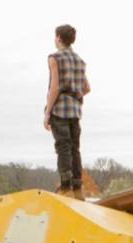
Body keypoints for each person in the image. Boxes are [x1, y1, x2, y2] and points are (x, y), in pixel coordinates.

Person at [44, 24, 90, 200]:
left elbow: (54, 88)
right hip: (75, 111)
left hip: (60, 110)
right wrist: (76, 95)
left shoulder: (54, 58)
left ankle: (65, 187)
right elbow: (86, 88)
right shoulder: (79, 60)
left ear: (59, 38)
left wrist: (48, 112)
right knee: (75, 148)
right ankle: (78, 189)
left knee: (62, 147)